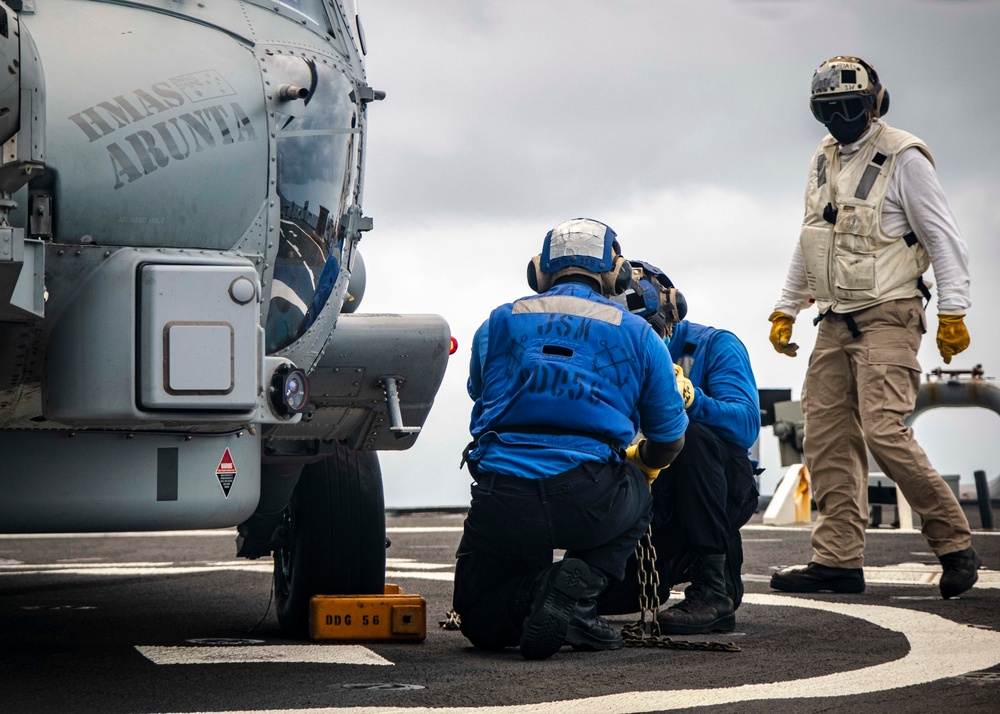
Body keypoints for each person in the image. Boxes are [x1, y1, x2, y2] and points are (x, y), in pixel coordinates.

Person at [768, 56, 980, 599]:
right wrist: (786, 307)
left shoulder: (904, 158)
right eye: (828, 110)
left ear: (874, 103)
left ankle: (955, 545)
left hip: (890, 313)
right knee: (827, 437)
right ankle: (837, 560)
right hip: (834, 320)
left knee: (883, 428)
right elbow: (811, 237)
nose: (840, 118)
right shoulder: (822, 160)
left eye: (849, 107)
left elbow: (942, 236)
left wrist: (953, 310)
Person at [453, 218, 689, 660]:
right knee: (637, 487)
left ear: (539, 271)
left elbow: (480, 392)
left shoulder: (499, 322)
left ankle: (542, 588)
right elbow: (670, 438)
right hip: (590, 495)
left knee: (481, 622)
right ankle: (575, 592)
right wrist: (642, 467)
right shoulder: (638, 333)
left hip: (503, 494)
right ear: (616, 273)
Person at [597, 262, 761, 634]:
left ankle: (711, 585)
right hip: (641, 497)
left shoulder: (716, 345)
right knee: (600, 595)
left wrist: (689, 400)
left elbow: (746, 424)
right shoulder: (605, 352)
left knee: (692, 436)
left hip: (709, 487)